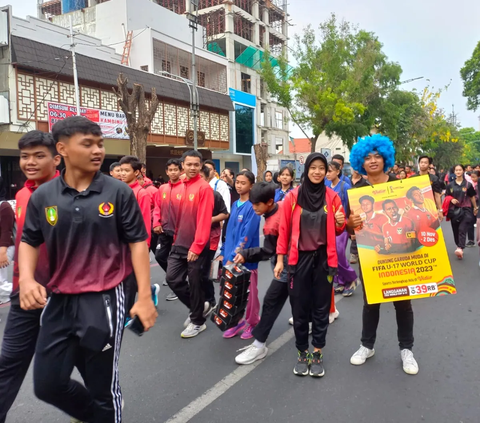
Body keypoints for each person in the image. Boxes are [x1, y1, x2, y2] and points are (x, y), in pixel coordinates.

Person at [18, 116, 157, 422]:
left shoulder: (118, 193)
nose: (97, 150)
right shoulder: (43, 196)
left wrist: (144, 297)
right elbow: (29, 240)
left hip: (104, 300)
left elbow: (138, 243)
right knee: (47, 384)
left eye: (100, 144)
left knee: (103, 388)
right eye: (88, 144)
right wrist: (27, 279)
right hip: (58, 301)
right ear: (62, 149)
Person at [0, 131, 61, 423]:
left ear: (56, 158)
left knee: (83, 363)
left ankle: (97, 407)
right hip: (24, 293)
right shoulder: (23, 195)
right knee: (9, 362)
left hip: (66, 295)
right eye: (25, 156)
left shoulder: (72, 191)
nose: (30, 162)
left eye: (39, 155)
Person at [347, 134, 418, 375]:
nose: (373, 160)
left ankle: (406, 349)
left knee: (403, 303)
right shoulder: (357, 191)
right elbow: (351, 229)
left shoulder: (400, 185)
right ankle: (367, 345)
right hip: (372, 256)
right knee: (371, 302)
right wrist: (350, 223)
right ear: (361, 163)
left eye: (377, 155)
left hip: (402, 255)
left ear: (385, 158)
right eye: (367, 157)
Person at [274, 153, 345, 378]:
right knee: (299, 308)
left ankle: (317, 352)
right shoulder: (293, 197)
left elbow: (339, 229)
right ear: (306, 170)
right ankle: (302, 351)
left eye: (321, 168)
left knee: (321, 308)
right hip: (298, 260)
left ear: (326, 172)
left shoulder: (332, 197)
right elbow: (283, 230)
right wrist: (279, 259)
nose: (317, 172)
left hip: (324, 259)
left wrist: (341, 223)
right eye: (313, 168)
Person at [233, 182, 288, 365]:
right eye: (252, 203)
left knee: (272, 301)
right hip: (295, 264)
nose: (254, 208)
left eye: (257, 204)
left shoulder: (271, 225)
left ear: (270, 201)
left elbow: (267, 251)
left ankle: (259, 345)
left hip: (289, 267)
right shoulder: (285, 204)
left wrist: (245, 254)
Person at [166, 150, 214, 338]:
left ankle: (197, 321)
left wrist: (197, 246)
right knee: (172, 279)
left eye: (196, 164)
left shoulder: (204, 188)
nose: (192, 167)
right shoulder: (181, 186)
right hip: (179, 242)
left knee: (194, 284)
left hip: (196, 246)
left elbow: (204, 220)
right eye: (189, 164)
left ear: (201, 166)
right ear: (182, 166)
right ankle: (199, 307)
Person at [218, 171, 261, 340]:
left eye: (243, 183)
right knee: (231, 292)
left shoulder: (253, 207)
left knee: (249, 294)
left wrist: (236, 254)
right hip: (230, 258)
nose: (239, 185)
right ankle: (237, 322)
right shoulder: (235, 204)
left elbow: (246, 236)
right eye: (237, 182)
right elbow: (229, 232)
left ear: (251, 185)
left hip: (246, 260)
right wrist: (223, 253)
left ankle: (253, 322)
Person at [119, 156, 160, 306]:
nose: (122, 173)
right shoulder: (118, 191)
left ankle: (127, 312)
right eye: (121, 170)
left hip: (135, 242)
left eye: (126, 170)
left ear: (136, 172)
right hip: (119, 242)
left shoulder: (141, 193)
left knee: (129, 278)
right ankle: (150, 290)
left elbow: (143, 221)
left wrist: (145, 245)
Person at [199, 165, 229, 309]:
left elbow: (225, 214)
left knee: (204, 271)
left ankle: (210, 301)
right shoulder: (187, 194)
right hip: (192, 238)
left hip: (210, 238)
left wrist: (210, 219)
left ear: (207, 178)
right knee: (196, 272)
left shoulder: (214, 195)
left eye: (201, 178)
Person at [326, 161, 358, 297]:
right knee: (331, 255)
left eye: (330, 171)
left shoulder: (345, 187)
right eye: (326, 171)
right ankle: (340, 281)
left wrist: (353, 228)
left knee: (339, 252)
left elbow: (352, 208)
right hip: (327, 225)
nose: (327, 174)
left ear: (338, 172)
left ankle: (351, 279)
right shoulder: (325, 186)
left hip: (342, 225)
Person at [153, 159, 183, 300]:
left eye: (175, 169)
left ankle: (176, 284)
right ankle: (175, 279)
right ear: (166, 172)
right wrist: (156, 223)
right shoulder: (162, 188)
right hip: (164, 230)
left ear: (180, 171)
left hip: (180, 232)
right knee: (159, 256)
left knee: (176, 259)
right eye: (170, 170)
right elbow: (157, 207)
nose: (173, 172)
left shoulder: (184, 188)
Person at [444, 164, 478, 259]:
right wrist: (451, 199)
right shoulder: (450, 185)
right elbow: (446, 196)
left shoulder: (468, 184)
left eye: (460, 170)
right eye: (456, 170)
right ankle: (459, 246)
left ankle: (460, 248)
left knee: (462, 228)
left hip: (466, 209)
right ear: (454, 172)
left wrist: (475, 207)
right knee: (455, 230)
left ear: (463, 171)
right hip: (454, 211)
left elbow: (472, 197)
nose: (458, 172)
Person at [413, 156, 444, 221]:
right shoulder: (412, 178)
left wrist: (440, 210)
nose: (423, 164)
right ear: (419, 164)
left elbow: (437, 195)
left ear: (429, 165)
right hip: (415, 209)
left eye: (425, 163)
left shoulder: (434, 178)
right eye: (421, 162)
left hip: (430, 208)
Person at [0, 177, 14, 304]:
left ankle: (18, 291)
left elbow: (6, 230)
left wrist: (2, 252)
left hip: (5, 247)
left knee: (0, 283)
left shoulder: (4, 207)